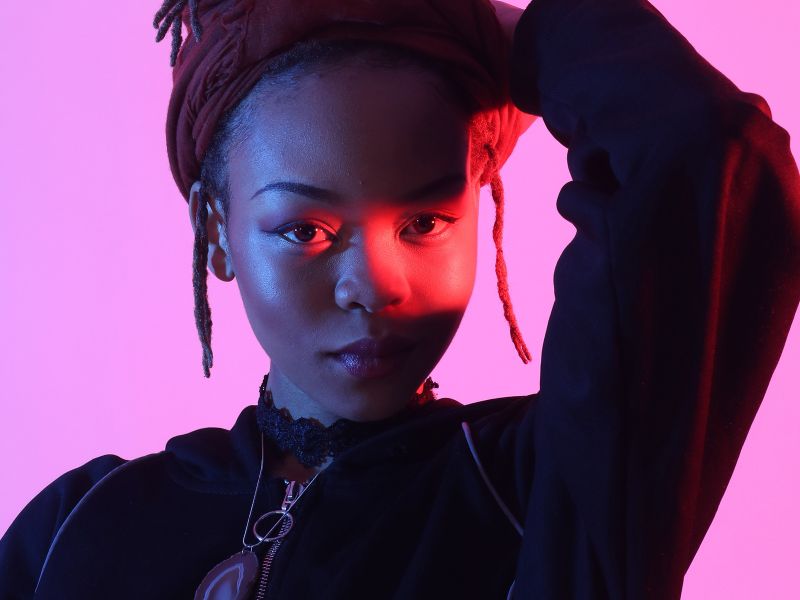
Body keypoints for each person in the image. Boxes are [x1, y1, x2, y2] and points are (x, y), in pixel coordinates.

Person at [1, 0, 798, 598]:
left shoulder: (549, 488)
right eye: (306, 230)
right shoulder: (81, 522)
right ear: (216, 232)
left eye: (425, 221)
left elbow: (706, 151)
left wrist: (522, 33)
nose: (377, 285)